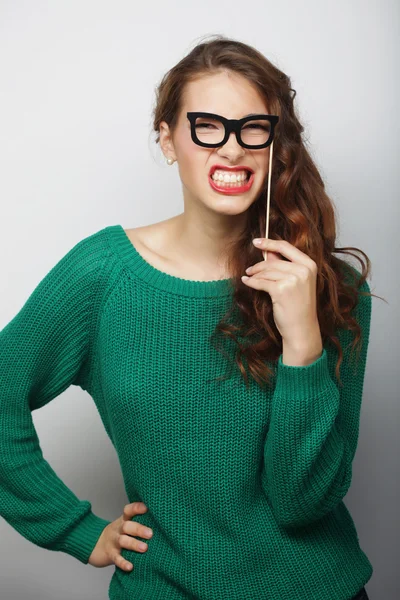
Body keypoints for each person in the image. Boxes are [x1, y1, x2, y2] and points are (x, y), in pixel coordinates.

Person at [0, 34, 380, 600]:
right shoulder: (103, 275)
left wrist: (302, 341)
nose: (232, 150)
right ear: (168, 139)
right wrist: (76, 531)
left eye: (254, 128)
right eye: (207, 126)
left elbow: (303, 503)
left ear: (277, 145)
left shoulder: (331, 289)